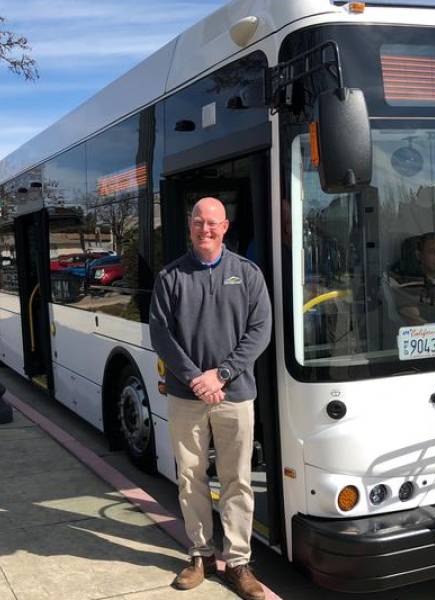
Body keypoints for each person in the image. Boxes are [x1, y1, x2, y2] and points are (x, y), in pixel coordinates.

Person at [149, 197, 271, 600]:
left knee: (237, 479)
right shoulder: (170, 277)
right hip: (187, 397)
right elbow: (162, 335)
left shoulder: (248, 274)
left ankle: (237, 561)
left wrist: (220, 375)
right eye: (199, 222)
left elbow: (259, 332)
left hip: (235, 395)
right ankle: (199, 554)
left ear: (226, 226)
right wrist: (195, 379)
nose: (206, 229)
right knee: (190, 477)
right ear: (190, 226)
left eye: (213, 223)